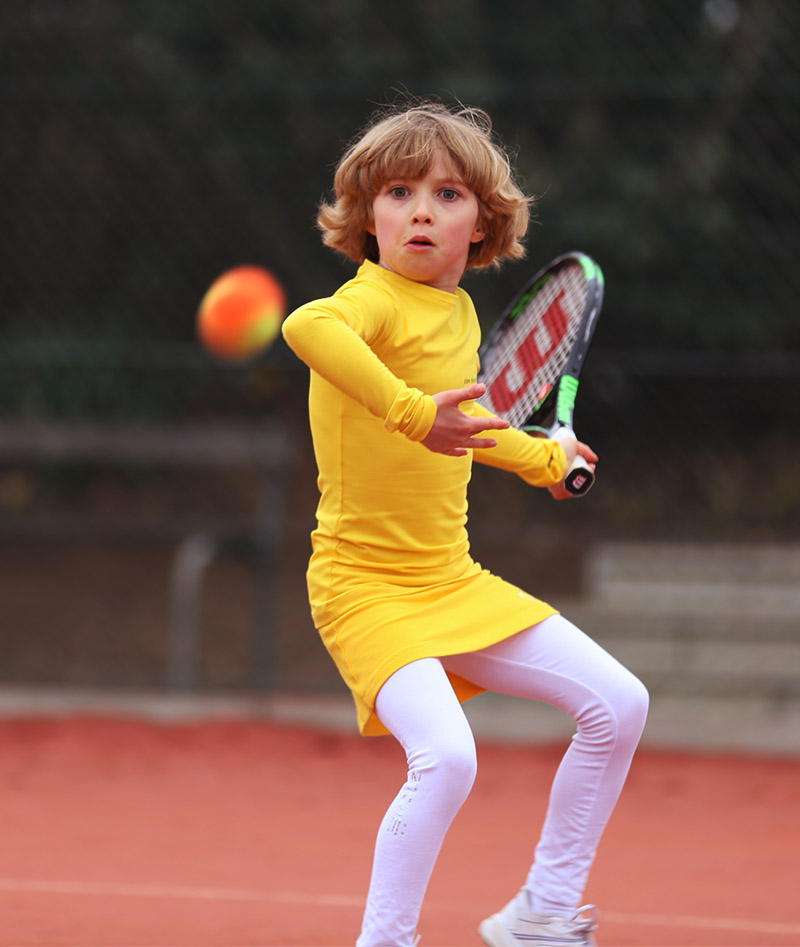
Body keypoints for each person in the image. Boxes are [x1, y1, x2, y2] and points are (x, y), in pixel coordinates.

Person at [281, 99, 649, 947]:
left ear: (482, 223)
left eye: (447, 195)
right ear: (366, 215)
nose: (421, 211)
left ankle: (542, 911)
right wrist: (412, 412)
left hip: (450, 579)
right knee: (447, 758)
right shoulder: (369, 302)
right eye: (399, 192)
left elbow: (470, 429)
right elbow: (308, 326)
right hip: (363, 588)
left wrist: (546, 461)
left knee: (619, 703)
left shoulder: (458, 316)